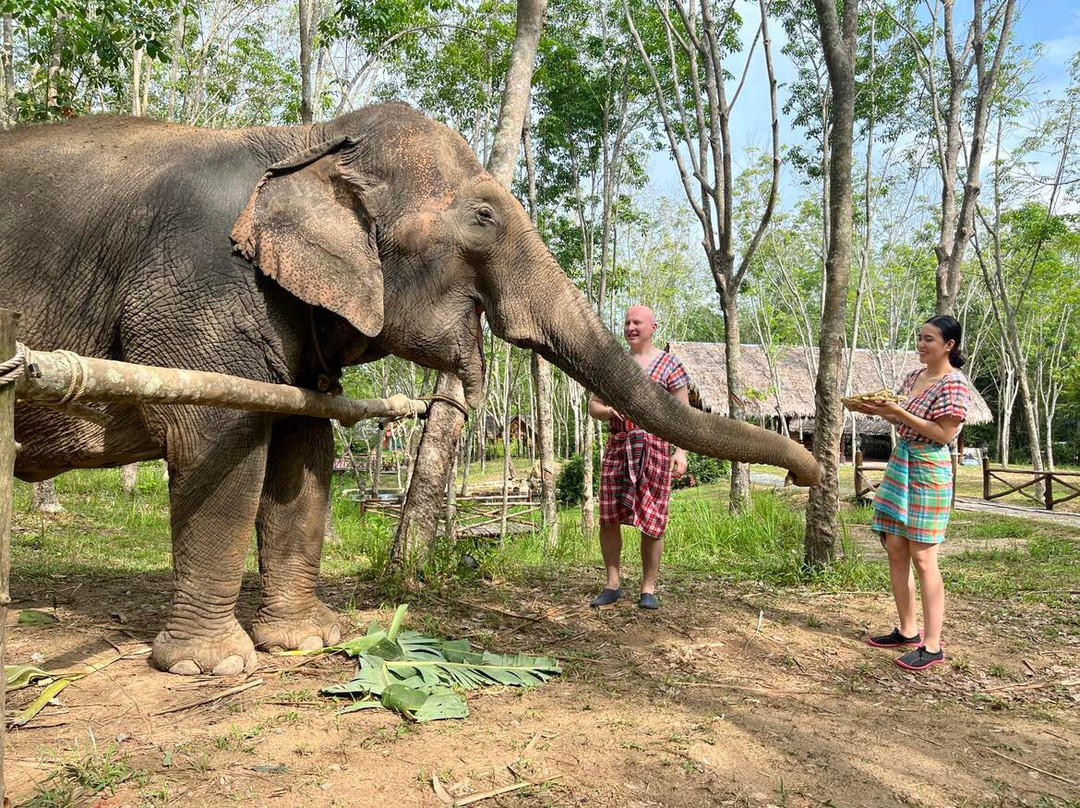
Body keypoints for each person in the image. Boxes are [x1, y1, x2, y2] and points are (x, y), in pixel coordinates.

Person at [852, 315, 970, 671]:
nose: (921, 345)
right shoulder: (913, 377)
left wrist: (898, 411)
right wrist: (881, 411)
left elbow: (944, 435)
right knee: (896, 549)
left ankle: (933, 645)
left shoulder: (954, 384)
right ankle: (907, 631)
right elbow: (902, 419)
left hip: (929, 470)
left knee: (923, 557)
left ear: (948, 345)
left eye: (929, 339)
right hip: (900, 463)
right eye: (919, 338)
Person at [587, 305, 689, 610]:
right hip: (618, 445)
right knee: (608, 517)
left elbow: (682, 415)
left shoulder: (670, 364)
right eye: (627, 322)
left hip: (655, 447)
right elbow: (593, 406)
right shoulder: (613, 365)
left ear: (653, 327)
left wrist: (681, 452)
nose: (631, 327)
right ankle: (612, 584)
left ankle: (648, 588)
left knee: (653, 520)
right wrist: (609, 411)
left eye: (637, 323)